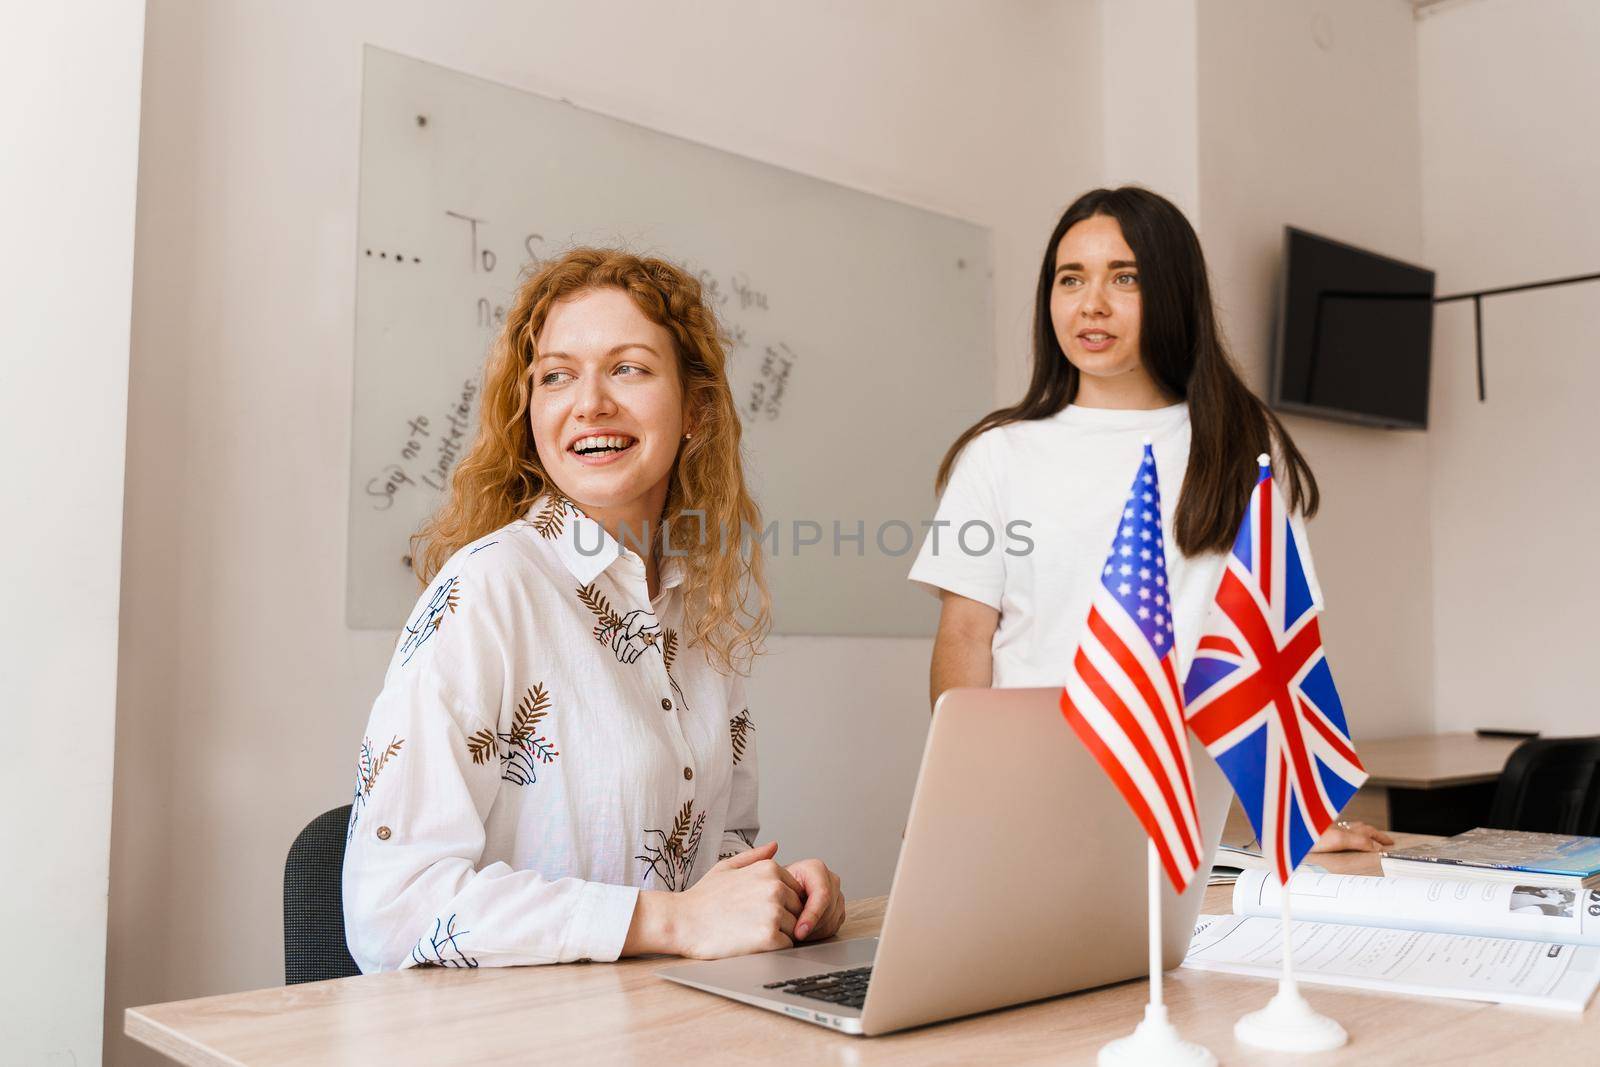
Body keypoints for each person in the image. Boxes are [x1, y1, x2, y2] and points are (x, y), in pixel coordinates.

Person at [343, 248, 844, 971]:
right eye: (556, 376)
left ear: (696, 410)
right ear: (531, 411)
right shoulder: (487, 590)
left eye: (629, 368)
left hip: (662, 1026)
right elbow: (390, 908)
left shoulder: (692, 610)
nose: (590, 403)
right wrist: (671, 920)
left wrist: (777, 898)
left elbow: (712, 856)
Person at [908, 186, 1391, 855]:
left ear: (1171, 292)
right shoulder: (995, 454)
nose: (1091, 304)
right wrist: (960, 790)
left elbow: (1279, 637)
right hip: (1035, 804)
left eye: (1124, 278)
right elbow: (963, 635)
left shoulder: (1241, 440)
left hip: (1199, 813)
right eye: (1070, 278)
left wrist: (1303, 815)